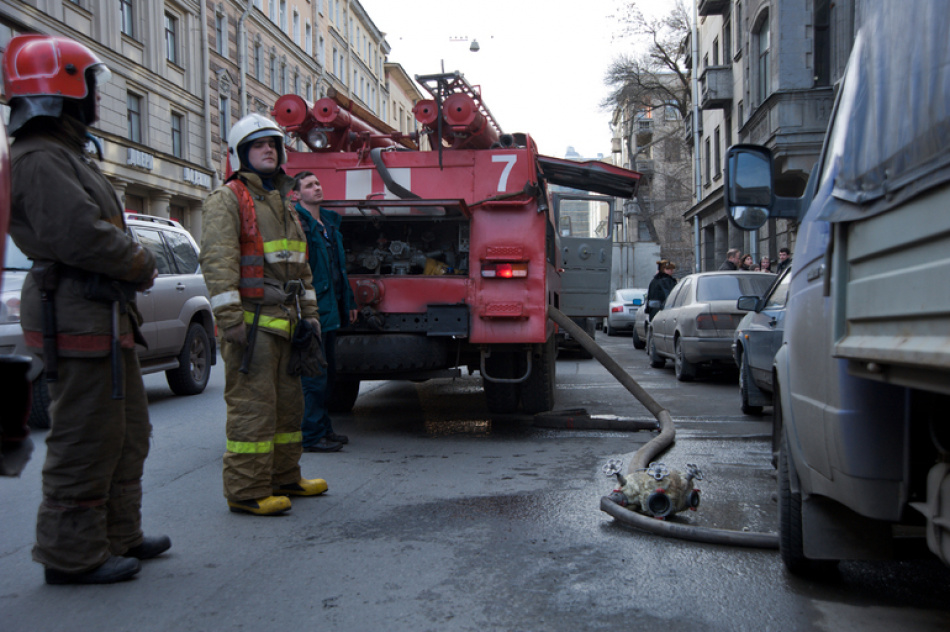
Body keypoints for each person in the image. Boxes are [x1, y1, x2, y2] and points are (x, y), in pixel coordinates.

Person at [4, 34, 169, 584]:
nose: (97, 96)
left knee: (125, 431)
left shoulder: (64, 153)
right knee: (85, 436)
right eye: (91, 84)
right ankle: (71, 556)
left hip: (97, 310)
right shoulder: (40, 158)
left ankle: (118, 535)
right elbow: (81, 235)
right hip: (74, 309)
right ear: (65, 91)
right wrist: (139, 261)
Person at [201, 113, 329, 516]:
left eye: (273, 144)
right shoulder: (229, 198)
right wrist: (230, 320)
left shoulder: (284, 203)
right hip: (252, 327)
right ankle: (246, 491)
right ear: (242, 154)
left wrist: (311, 316)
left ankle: (285, 476)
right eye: (259, 145)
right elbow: (218, 261)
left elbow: (301, 267)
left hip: (287, 326)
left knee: (289, 410)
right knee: (253, 412)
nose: (269, 151)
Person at [292, 172, 357, 453]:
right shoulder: (298, 226)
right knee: (314, 378)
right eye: (309, 186)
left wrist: (350, 302)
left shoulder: (327, 224)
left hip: (330, 309)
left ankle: (324, 429)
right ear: (297, 195)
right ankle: (311, 435)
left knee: (327, 375)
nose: (316, 188)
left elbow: (339, 271)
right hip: (312, 310)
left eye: (317, 184)